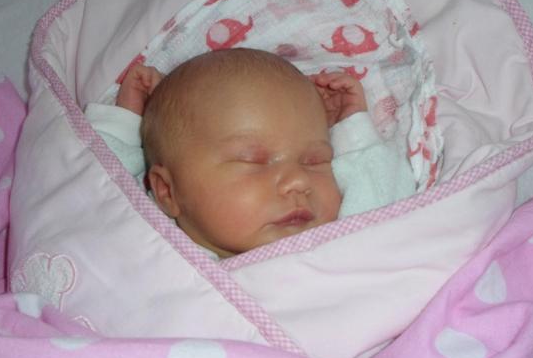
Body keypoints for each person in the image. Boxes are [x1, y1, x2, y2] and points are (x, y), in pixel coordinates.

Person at [85, 48, 414, 258]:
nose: (298, 181)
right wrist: (123, 122)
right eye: (253, 161)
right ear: (167, 192)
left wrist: (352, 129)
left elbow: (387, 207)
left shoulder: (337, 246)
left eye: (316, 161)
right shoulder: (152, 246)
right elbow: (91, 196)